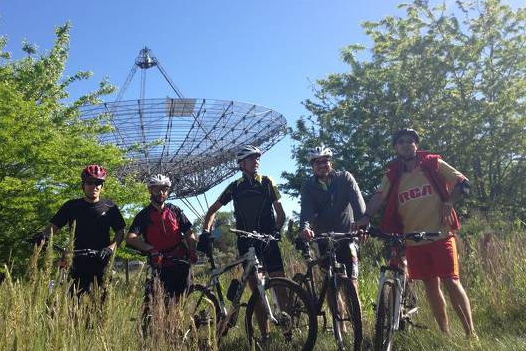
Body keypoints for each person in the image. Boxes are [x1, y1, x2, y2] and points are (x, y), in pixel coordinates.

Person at [352, 128, 477, 338]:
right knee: (430, 285)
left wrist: (450, 202)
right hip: (412, 239)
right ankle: (445, 333)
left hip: (440, 234)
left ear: (416, 145)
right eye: (401, 142)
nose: (406, 144)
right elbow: (379, 196)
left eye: (410, 141)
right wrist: (365, 218)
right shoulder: (393, 173)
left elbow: (462, 183)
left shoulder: (432, 163)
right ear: (395, 147)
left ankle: (470, 334)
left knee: (451, 281)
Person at [202, 145, 287, 332]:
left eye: (257, 157)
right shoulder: (234, 187)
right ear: (242, 164)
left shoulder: (267, 182)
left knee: (281, 286)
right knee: (256, 290)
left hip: (268, 240)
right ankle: (264, 334)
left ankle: (288, 329)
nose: (256, 160)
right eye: (251, 158)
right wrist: (205, 232)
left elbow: (280, 213)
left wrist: (277, 230)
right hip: (246, 242)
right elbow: (212, 211)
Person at [34, 164, 126, 296]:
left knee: (103, 302)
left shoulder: (109, 207)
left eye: (98, 183)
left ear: (102, 186)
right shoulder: (72, 206)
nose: (94, 186)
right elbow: (53, 227)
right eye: (89, 182)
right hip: (76, 260)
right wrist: (42, 237)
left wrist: (110, 248)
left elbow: (120, 232)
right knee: (74, 303)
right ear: (83, 185)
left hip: (101, 260)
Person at [299, 145, 366, 291]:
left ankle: (355, 314)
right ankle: (337, 314)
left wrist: (362, 226)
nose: (322, 165)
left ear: (331, 162)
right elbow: (307, 210)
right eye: (317, 162)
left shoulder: (344, 178)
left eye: (325, 161)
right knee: (330, 285)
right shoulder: (308, 186)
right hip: (323, 240)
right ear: (312, 166)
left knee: (352, 284)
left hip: (346, 237)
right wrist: (305, 228)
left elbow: (358, 203)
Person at [126, 174, 197, 299]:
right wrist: (151, 250)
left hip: (181, 261)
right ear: (150, 190)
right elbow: (131, 238)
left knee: (183, 299)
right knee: (160, 303)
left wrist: (192, 250)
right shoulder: (144, 215)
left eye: (164, 189)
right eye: (157, 189)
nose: (161, 192)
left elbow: (188, 232)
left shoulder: (175, 211)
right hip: (160, 265)